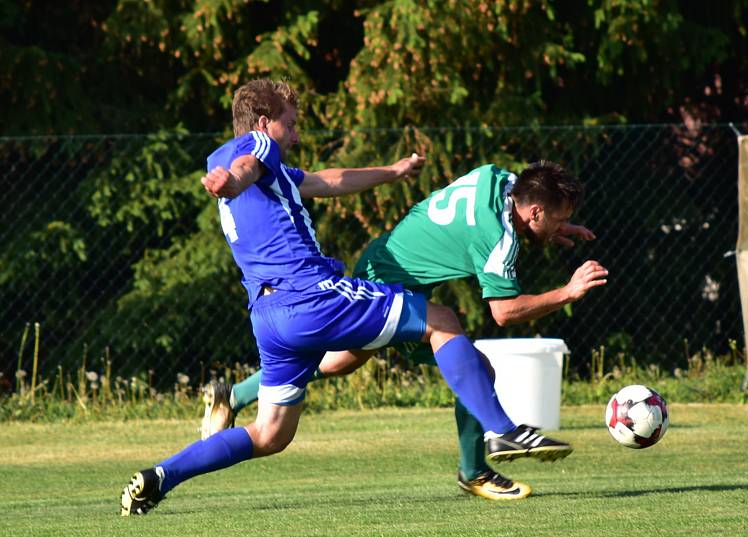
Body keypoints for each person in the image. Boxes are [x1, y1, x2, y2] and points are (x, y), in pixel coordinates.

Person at [119, 78, 571, 516]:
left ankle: (161, 477)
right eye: (290, 124)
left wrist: (392, 172)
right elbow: (244, 169)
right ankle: (504, 432)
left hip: (269, 316)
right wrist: (231, 182)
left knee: (270, 434)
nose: (295, 135)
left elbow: (326, 181)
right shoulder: (256, 150)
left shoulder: (258, 169)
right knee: (442, 320)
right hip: (311, 295)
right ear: (262, 122)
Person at [200, 158, 608, 501]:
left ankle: (233, 394)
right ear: (534, 211)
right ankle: (476, 470)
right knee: (476, 368)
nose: (559, 226)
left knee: (342, 361)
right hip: (389, 284)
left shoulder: (497, 177)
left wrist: (551, 230)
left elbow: (489, 223)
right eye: (557, 218)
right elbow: (504, 312)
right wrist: (568, 292)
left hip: (385, 262)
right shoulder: (499, 238)